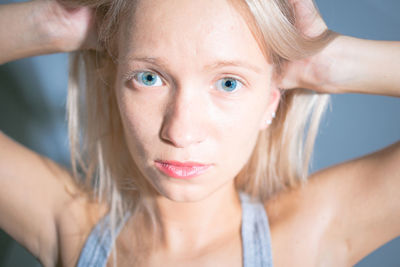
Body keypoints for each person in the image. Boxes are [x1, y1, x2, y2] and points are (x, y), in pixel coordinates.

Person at [0, 0, 399, 266]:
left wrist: (328, 63)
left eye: (228, 83)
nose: (181, 132)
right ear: (113, 82)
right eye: (149, 77)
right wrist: (54, 23)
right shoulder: (69, 228)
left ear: (271, 102)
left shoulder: (307, 239)